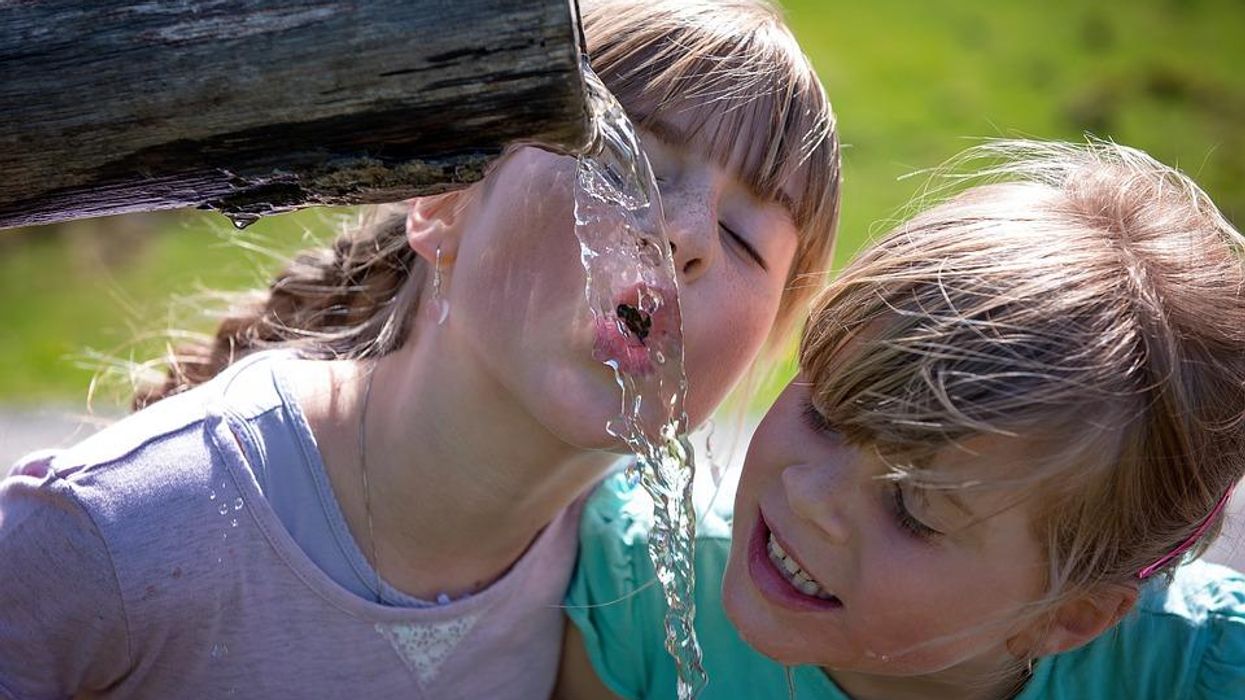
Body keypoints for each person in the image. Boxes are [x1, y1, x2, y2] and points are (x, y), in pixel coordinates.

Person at [0, 1, 840, 697]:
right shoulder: (116, 534)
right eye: (627, 167)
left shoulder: (634, 596)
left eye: (741, 238)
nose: (684, 233)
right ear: (443, 203)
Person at [559, 139, 1245, 700]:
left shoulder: (1197, 674)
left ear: (1064, 616)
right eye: (825, 415)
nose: (810, 495)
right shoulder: (640, 591)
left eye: (911, 509)